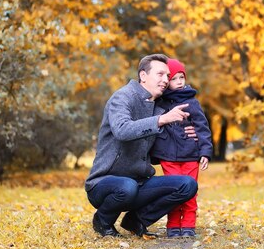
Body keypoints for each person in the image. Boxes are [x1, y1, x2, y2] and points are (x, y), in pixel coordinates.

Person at [85, 54, 198, 237]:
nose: (165, 80)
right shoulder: (122, 98)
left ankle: (136, 220)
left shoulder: (159, 107)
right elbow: (122, 130)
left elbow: (158, 152)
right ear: (143, 76)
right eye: (160, 74)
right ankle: (102, 221)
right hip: (103, 184)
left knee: (187, 185)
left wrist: (192, 137)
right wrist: (161, 120)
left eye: (167, 76)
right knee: (126, 187)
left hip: (139, 183)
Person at [150, 59, 213, 238]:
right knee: (173, 191)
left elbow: (202, 127)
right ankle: (173, 226)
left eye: (182, 77)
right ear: (167, 81)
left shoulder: (191, 102)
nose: (179, 81)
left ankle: (188, 226)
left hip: (190, 155)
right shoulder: (159, 104)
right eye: (174, 78)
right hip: (168, 156)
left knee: (190, 191)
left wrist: (205, 152)